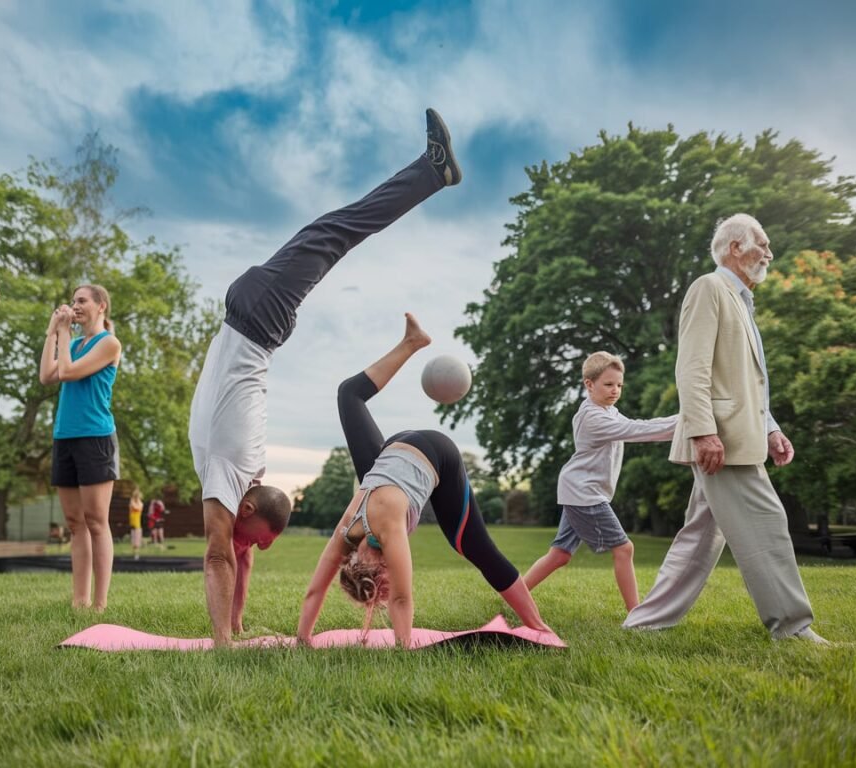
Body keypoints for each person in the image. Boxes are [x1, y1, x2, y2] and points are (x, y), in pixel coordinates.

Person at [190, 108, 463, 645]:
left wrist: (229, 634)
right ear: (247, 507)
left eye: (258, 541)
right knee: (338, 230)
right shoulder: (232, 477)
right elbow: (228, 555)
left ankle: (435, 171)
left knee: (336, 230)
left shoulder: (231, 480)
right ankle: (433, 171)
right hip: (257, 317)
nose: (254, 549)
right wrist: (229, 634)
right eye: (259, 539)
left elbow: (225, 556)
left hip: (254, 318)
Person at [296, 314, 561, 649]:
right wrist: (302, 638)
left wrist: (405, 647)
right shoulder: (346, 532)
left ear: (378, 569)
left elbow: (402, 601)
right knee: (349, 394)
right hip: (390, 453)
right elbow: (314, 590)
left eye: (384, 585)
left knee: (475, 547)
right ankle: (412, 342)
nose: (391, 586)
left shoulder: (388, 529)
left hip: (438, 455)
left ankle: (537, 624)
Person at [623, 214, 827, 643]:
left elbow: (745, 381)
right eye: (763, 244)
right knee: (767, 520)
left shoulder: (742, 299)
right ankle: (791, 627)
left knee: (700, 537)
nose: (770, 253)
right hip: (721, 439)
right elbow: (692, 367)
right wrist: (702, 430)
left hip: (737, 433)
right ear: (735, 247)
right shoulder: (709, 288)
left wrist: (770, 428)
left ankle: (644, 622)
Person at [520, 352, 677, 612]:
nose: (615, 390)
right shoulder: (593, 417)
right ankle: (636, 614)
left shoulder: (609, 412)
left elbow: (637, 424)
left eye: (619, 385)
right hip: (585, 494)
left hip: (578, 491)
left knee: (559, 555)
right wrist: (688, 421)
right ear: (589, 384)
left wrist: (682, 421)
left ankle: (515, 595)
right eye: (608, 384)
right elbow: (638, 431)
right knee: (624, 548)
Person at [39, 284, 122, 613]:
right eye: (73, 301)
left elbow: (69, 372)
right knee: (75, 523)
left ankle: (99, 604)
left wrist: (62, 333)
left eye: (82, 300)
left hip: (95, 438)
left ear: (101, 306)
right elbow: (48, 375)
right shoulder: (73, 344)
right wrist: (53, 333)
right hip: (65, 437)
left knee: (96, 521)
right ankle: (79, 601)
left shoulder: (109, 344)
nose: (75, 306)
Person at [129, 487, 143, 559]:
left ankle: (136, 554)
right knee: (133, 538)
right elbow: (133, 506)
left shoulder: (139, 503)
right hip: (133, 522)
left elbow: (138, 507)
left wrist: (137, 499)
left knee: (137, 539)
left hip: (137, 523)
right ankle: (134, 553)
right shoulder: (132, 502)